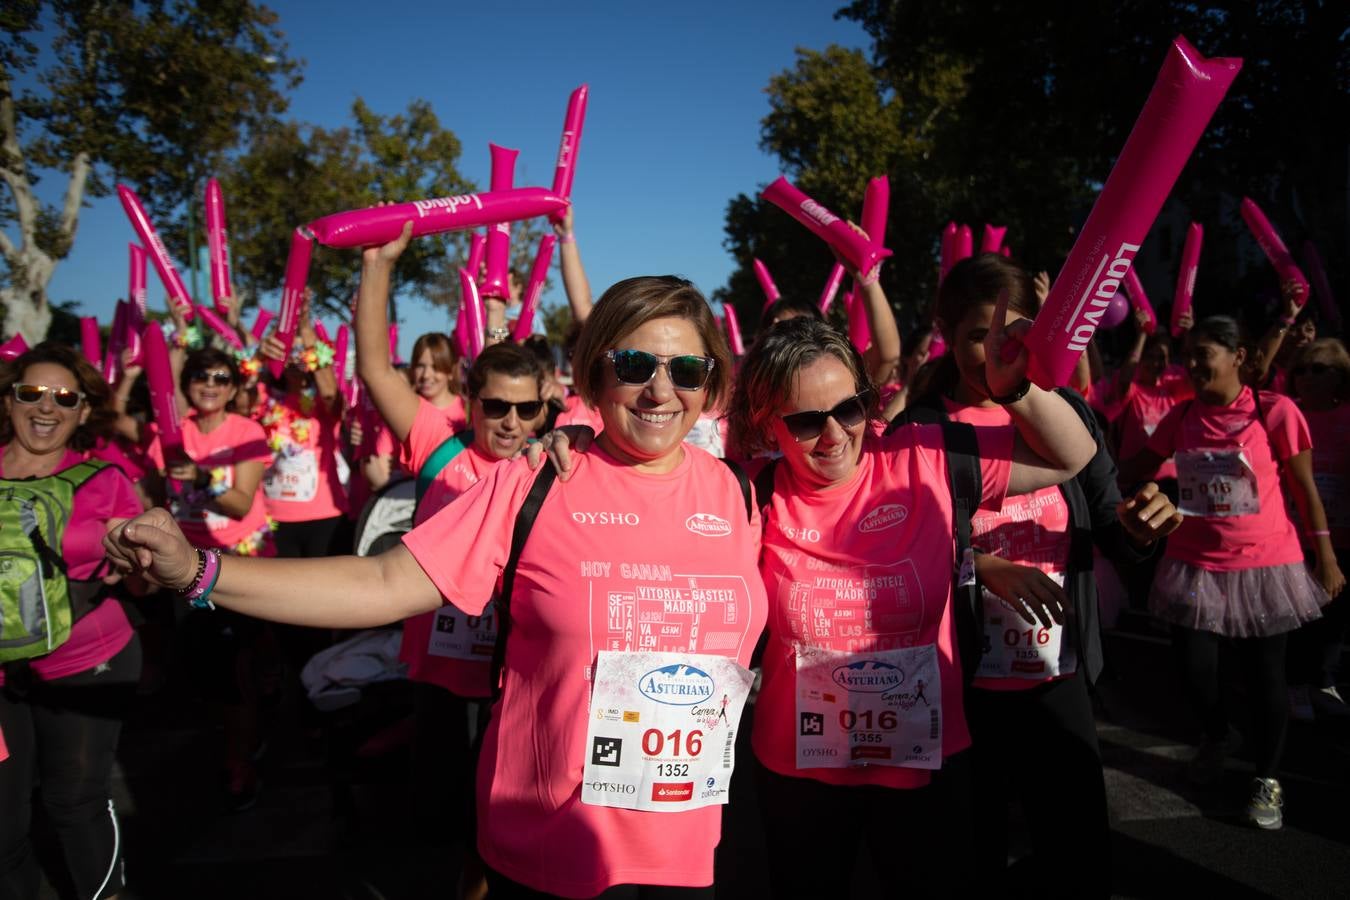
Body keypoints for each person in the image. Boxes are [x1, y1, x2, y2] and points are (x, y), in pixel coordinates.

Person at [105, 274, 766, 899]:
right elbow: (383, 582)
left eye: (685, 370)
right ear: (596, 374)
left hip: (684, 844)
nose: (659, 390)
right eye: (634, 366)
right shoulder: (539, 482)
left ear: (710, 386)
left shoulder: (738, 494)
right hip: (554, 844)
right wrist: (198, 570)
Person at [720, 280, 1103, 896]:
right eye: (807, 421)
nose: (835, 435)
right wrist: (572, 444)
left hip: (924, 760)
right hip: (799, 766)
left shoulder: (922, 455)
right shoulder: (751, 492)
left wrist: (1020, 390)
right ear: (767, 421)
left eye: (848, 410)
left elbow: (1072, 454)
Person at [896, 254, 1182, 895]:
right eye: (979, 335)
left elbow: (1111, 528)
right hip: (960, 691)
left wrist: (1143, 528)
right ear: (944, 329)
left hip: (1059, 680)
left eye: (1015, 334)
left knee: (1077, 859)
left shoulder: (1067, 418)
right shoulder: (919, 430)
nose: (998, 352)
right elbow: (898, 557)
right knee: (970, 862)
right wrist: (980, 563)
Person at [356, 227, 546, 888]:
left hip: (515, 675)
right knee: (437, 809)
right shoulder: (438, 446)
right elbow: (376, 369)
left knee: (499, 820)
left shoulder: (550, 466)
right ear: (470, 402)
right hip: (441, 668)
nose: (512, 421)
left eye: (528, 409)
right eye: (497, 406)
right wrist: (378, 267)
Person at [1121, 315, 1344, 830]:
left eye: (1205, 353)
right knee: (1195, 671)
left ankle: (1267, 779)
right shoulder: (1182, 417)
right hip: (1194, 564)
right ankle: (1218, 734)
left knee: (1266, 676)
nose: (1193, 364)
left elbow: (1305, 489)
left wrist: (1325, 556)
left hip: (1267, 564)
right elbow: (1136, 467)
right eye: (1190, 355)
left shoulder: (1276, 412)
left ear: (1239, 356)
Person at [0, 342, 143, 900]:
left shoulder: (106, 479)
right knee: (5, 823)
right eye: (31, 393)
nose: (46, 408)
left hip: (88, 661)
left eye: (65, 398)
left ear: (84, 411)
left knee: (73, 802)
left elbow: (145, 581)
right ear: (9, 401)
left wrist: (138, 562)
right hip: (3, 679)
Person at [146, 346, 276, 810]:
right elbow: (156, 494)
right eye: (201, 375)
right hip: (185, 563)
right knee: (206, 666)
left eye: (222, 378)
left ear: (234, 387)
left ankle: (241, 763)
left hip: (238, 563)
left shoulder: (246, 431)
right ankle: (242, 736)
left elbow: (242, 502)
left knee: (233, 670)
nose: (210, 384)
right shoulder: (170, 432)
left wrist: (201, 478)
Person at [1285, 339, 1350, 719]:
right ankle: (1294, 686)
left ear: (1341, 376)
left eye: (1318, 369)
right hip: (1293, 537)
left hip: (1343, 534)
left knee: (1336, 615)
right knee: (1299, 616)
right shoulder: (1288, 413)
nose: (1307, 377)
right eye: (1301, 369)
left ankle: (1321, 681)